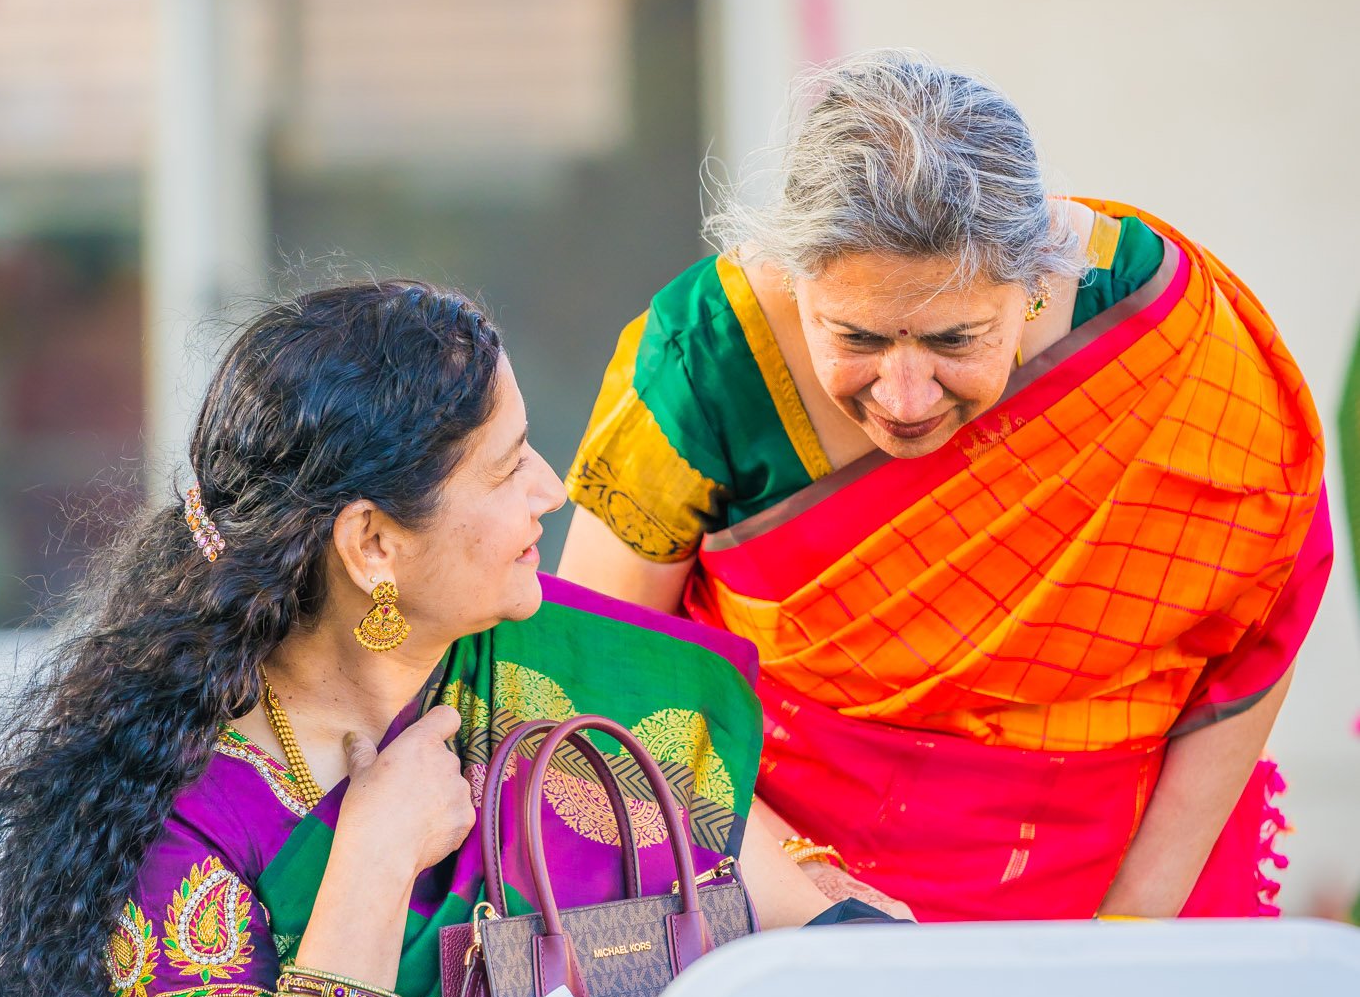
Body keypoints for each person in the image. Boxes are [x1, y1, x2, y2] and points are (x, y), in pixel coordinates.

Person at [0, 282, 776, 997]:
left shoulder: (543, 659)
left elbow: (783, 901)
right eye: (506, 465)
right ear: (372, 544)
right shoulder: (187, 817)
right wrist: (373, 853)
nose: (551, 490)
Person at [560, 50, 1332, 926]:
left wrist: (1132, 925)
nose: (903, 397)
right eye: (854, 337)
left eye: (955, 341)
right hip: (767, 903)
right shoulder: (706, 357)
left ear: (1035, 283)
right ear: (791, 275)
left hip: (1120, 899)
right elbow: (599, 672)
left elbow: (1257, 625)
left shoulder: (1166, 339)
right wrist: (804, 904)